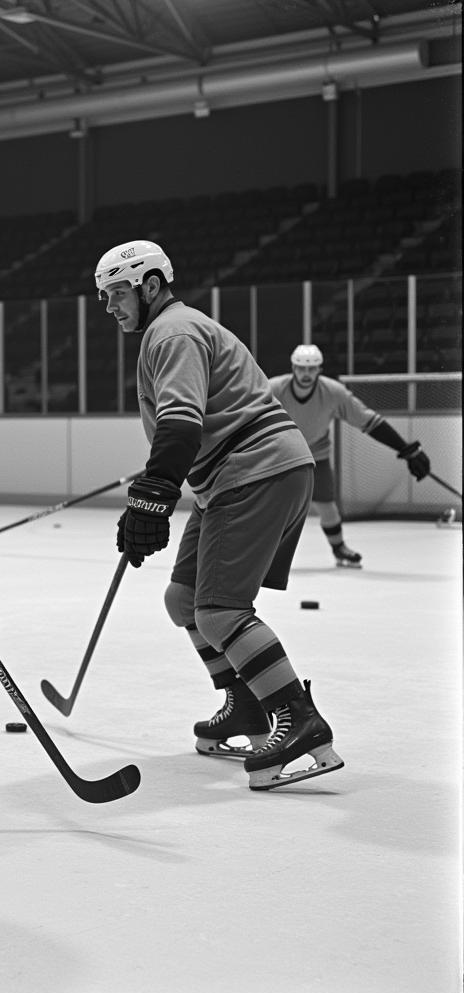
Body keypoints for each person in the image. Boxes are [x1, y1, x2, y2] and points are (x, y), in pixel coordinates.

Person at [97, 240, 343, 791]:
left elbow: (182, 422)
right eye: (104, 296)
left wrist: (154, 494)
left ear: (151, 286)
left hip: (254, 469)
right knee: (183, 600)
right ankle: (249, 709)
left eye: (117, 293)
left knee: (221, 611)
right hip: (234, 475)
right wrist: (152, 493)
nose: (110, 306)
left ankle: (300, 721)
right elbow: (185, 430)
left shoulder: (173, 332)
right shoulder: (169, 333)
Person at [269, 344, 431, 568]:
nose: (306, 374)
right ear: (293, 368)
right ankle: (263, 556)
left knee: (327, 505)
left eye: (312, 369)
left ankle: (339, 549)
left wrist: (406, 449)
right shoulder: (274, 389)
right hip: (280, 455)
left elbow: (368, 420)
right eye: (301, 369)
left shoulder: (334, 393)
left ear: (319, 369)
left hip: (316, 455)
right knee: (270, 507)